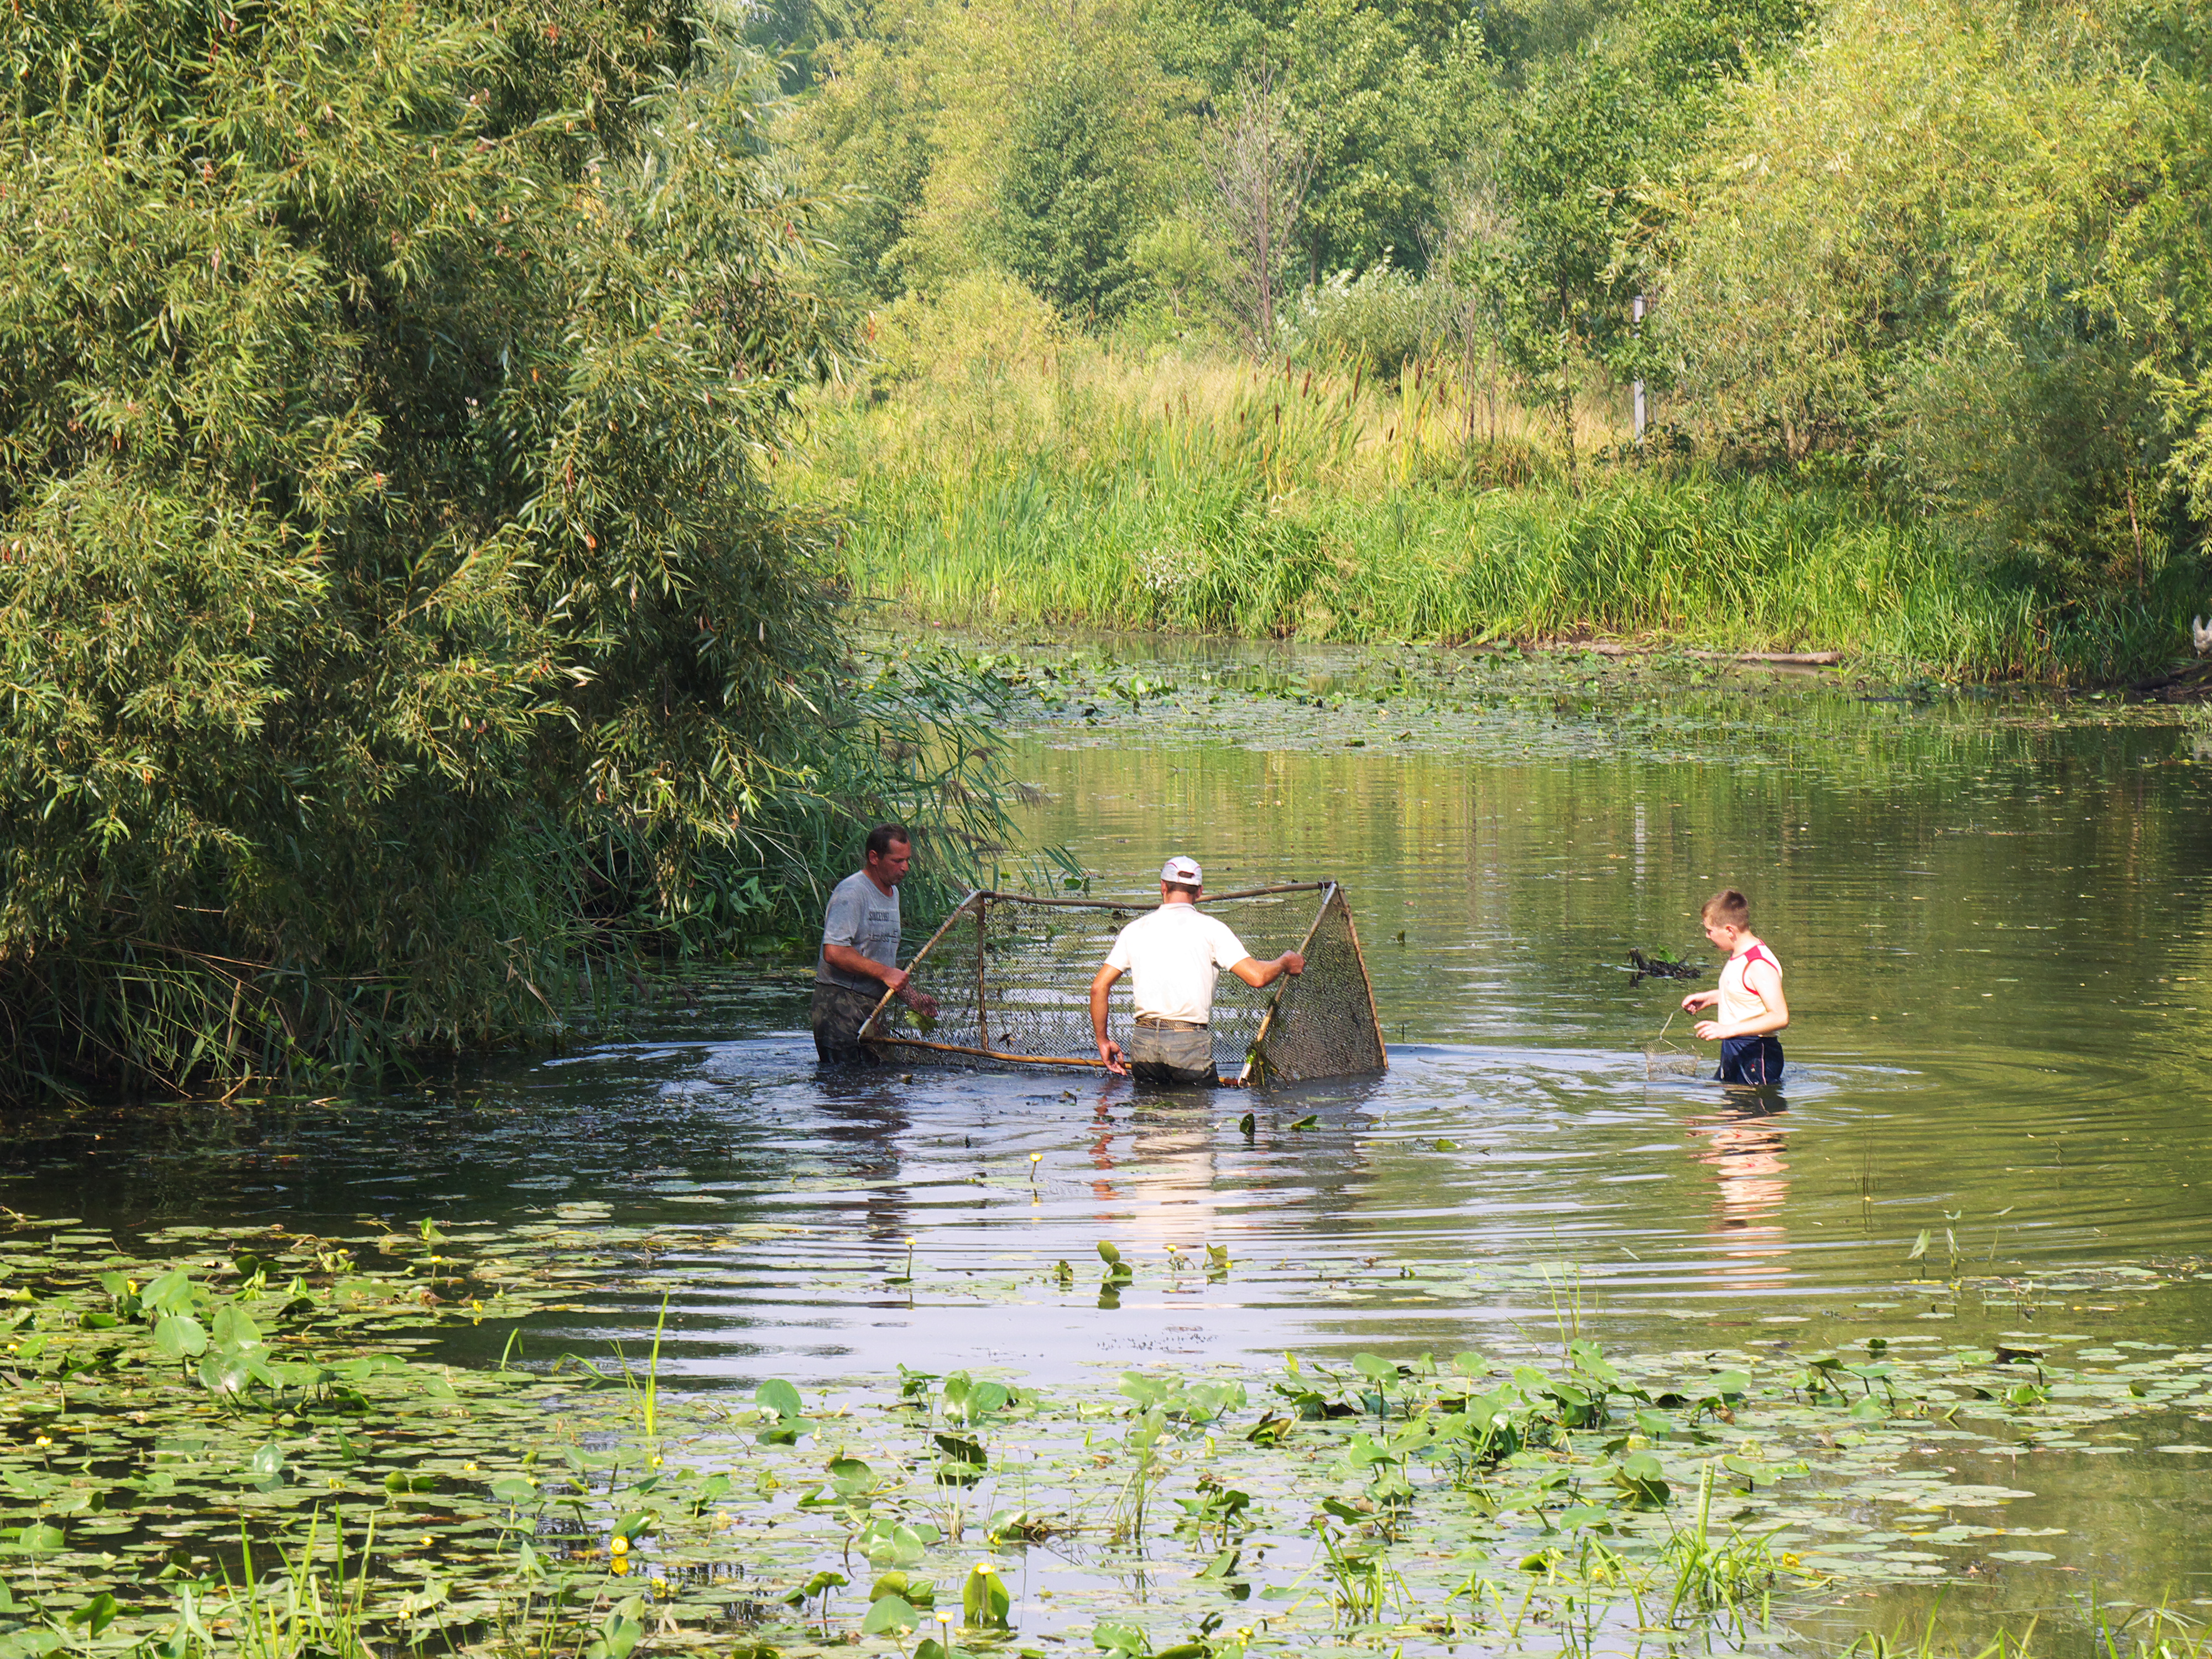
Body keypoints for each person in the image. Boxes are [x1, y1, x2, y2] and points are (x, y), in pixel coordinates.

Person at [1088, 857, 1306, 1087]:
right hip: (1188, 1042)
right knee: (1194, 1116)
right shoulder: (1212, 929)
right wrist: (1284, 962)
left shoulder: (1134, 930)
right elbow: (1258, 977)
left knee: (1148, 1117)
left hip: (1144, 1043)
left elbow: (1098, 987)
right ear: (1200, 892)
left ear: (1163, 886)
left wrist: (1103, 1041)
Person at [813, 825, 938, 1065]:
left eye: (907, 860)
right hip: (839, 1005)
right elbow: (834, 952)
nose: (905, 868)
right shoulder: (852, 892)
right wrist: (887, 973)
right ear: (874, 858)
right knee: (848, 1084)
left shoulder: (894, 894)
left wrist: (913, 999)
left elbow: (884, 962)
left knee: (879, 1086)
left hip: (872, 1007)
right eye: (897, 861)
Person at [1679, 888, 1790, 1086]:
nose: (1707, 936)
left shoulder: (1758, 963)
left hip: (1757, 1053)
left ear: (1730, 930)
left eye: (1710, 931)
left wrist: (1727, 1030)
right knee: (1731, 1112)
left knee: (1749, 1115)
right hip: (1736, 1049)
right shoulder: (1739, 955)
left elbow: (1780, 1017)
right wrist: (1712, 997)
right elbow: (1747, 994)